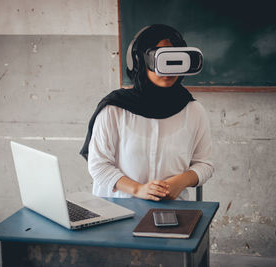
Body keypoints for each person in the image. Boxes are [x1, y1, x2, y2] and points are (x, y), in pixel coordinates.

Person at [80, 24, 213, 201]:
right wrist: (138, 189)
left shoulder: (193, 111)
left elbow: (204, 163)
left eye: (174, 58)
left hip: (172, 209)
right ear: (139, 61)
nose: (167, 69)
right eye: (158, 58)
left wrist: (181, 181)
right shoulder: (114, 109)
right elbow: (98, 166)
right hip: (118, 208)